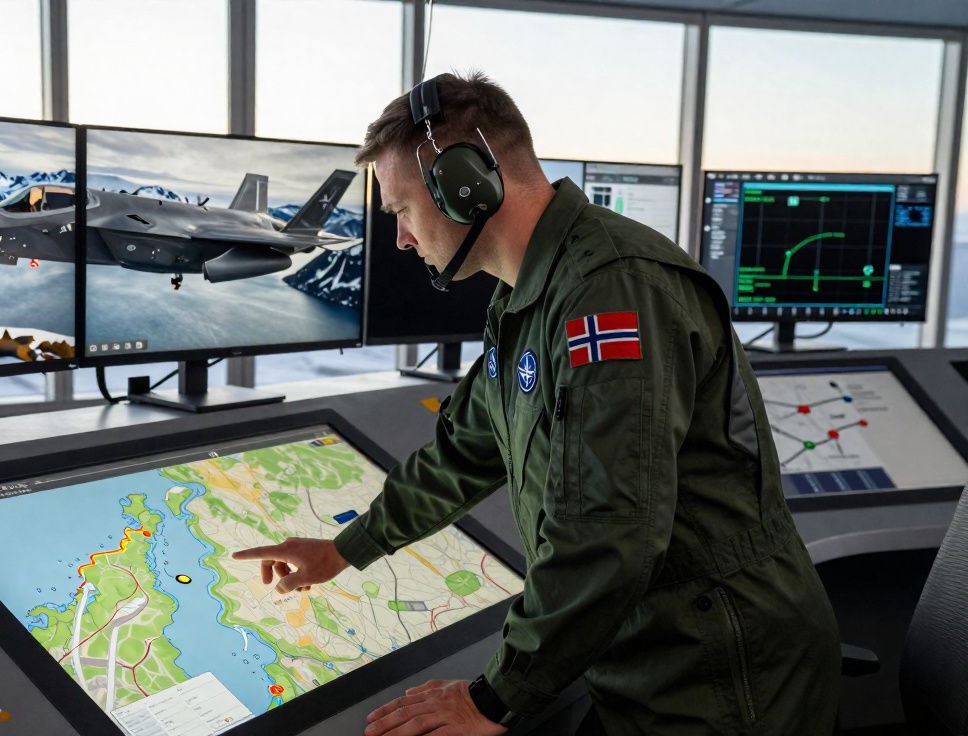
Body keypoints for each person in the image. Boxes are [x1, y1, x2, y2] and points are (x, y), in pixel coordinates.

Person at [233, 71, 840, 735]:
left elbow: (610, 535)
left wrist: (492, 698)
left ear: (467, 187)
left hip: (722, 674)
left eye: (403, 210)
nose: (401, 239)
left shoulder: (610, 293)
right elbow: (463, 453)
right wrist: (345, 550)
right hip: (649, 654)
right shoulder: (528, 296)